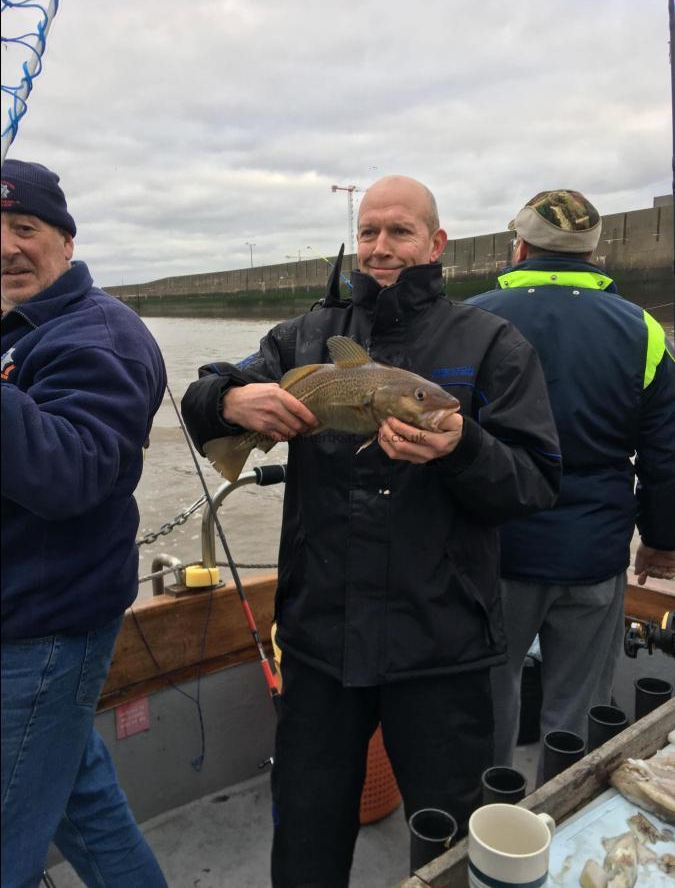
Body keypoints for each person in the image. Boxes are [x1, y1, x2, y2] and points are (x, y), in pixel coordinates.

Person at [181, 175, 561, 887]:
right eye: (367, 232)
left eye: (398, 231)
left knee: (447, 838)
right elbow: (199, 398)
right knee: (305, 830)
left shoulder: (493, 343)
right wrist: (232, 399)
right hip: (320, 640)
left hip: (439, 643)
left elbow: (535, 482)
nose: (380, 247)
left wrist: (462, 449)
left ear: (435, 242)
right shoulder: (300, 337)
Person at [467, 189, 675, 780]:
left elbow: (442, 437)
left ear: (521, 246)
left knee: (489, 695)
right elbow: (666, 453)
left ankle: (489, 825)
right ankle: (560, 817)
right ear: (592, 251)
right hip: (595, 550)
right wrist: (660, 538)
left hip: (496, 549)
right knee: (578, 711)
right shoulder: (644, 331)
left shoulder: (476, 323)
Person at [1, 160, 168, 888]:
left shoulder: (101, 336)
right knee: (82, 802)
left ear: (67, 242)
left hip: (42, 635)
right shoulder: (14, 326)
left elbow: (69, 473)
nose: (5, 246)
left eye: (24, 228)